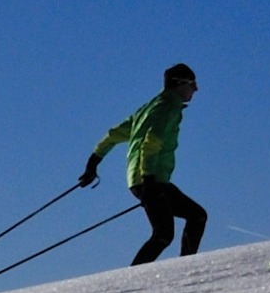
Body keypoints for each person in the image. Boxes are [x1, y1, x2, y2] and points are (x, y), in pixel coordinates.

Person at [81, 64, 203, 264]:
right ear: (179, 84)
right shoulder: (168, 106)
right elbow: (152, 141)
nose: (195, 89)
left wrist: (92, 164)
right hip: (151, 179)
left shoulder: (149, 108)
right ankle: (180, 269)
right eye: (193, 84)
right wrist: (149, 180)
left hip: (142, 180)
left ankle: (180, 267)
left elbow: (113, 135)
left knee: (183, 223)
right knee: (172, 229)